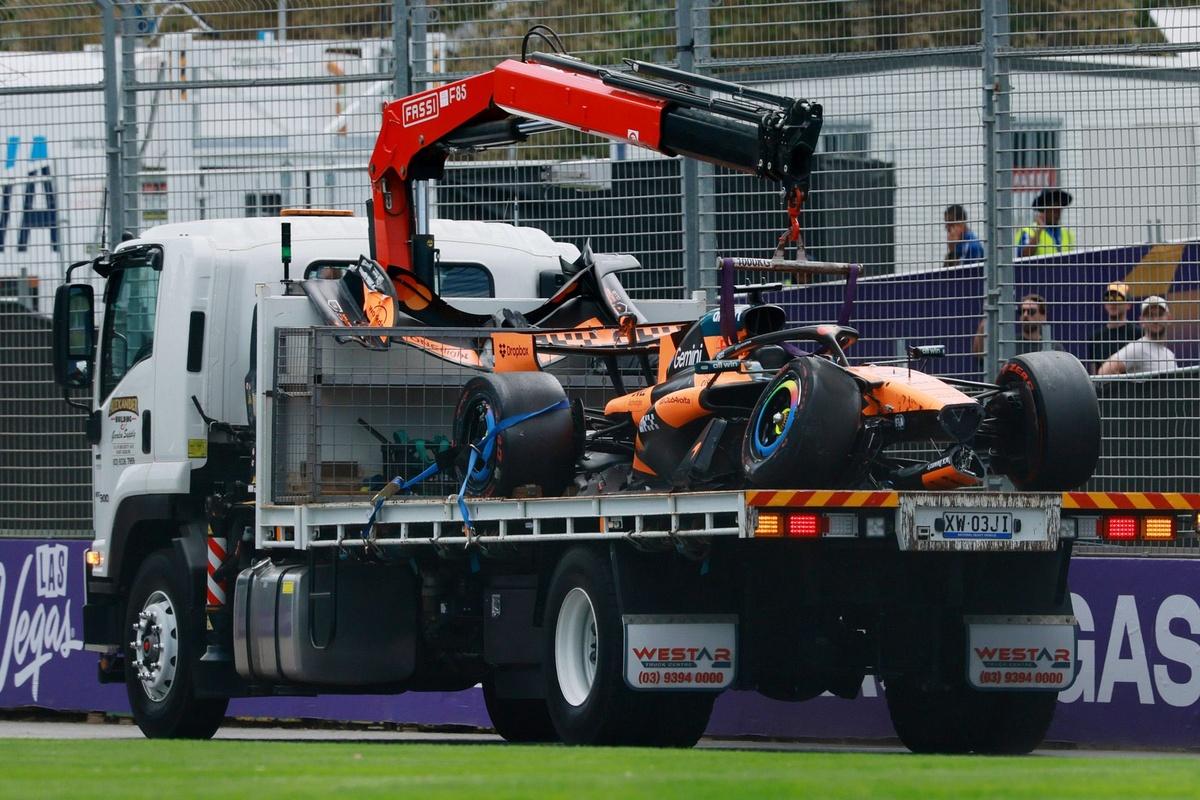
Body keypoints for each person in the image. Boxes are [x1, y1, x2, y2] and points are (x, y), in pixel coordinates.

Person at [1098, 295, 1177, 375]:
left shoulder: (1170, 354)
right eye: (1150, 315)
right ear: (1142, 321)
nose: (1155, 320)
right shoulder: (1137, 348)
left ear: (1169, 318)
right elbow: (1104, 372)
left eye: (1160, 314)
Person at [972, 292, 1061, 360]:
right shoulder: (1008, 343)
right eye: (1022, 311)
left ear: (1043, 317)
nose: (1025, 315)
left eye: (1031, 311)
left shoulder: (1053, 347)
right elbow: (980, 356)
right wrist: (988, 315)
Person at [1086, 281, 1138, 373]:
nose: (1113, 302)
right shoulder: (1096, 337)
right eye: (1109, 298)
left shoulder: (1138, 334)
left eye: (1118, 298)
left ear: (1128, 304)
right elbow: (1094, 374)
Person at [1016, 188, 1075, 258]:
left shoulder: (1067, 233)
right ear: (1043, 210)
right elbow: (1023, 257)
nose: (1057, 214)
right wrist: (1039, 231)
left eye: (1059, 209)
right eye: (1053, 210)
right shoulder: (1029, 231)